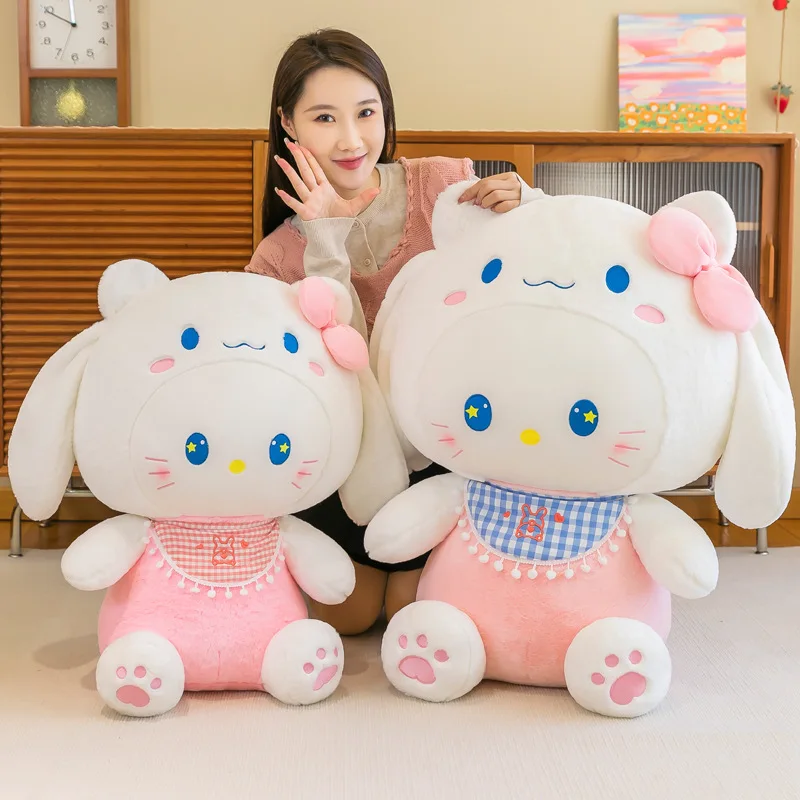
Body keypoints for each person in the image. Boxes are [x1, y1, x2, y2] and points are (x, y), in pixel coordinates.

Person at [246, 28, 538, 635]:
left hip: (446, 445)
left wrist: (528, 205)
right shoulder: (277, 256)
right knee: (350, 615)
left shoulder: (441, 186)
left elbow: (521, 283)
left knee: (414, 609)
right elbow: (337, 362)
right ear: (288, 123)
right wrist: (324, 238)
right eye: (324, 118)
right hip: (347, 459)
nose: (352, 140)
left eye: (366, 112)